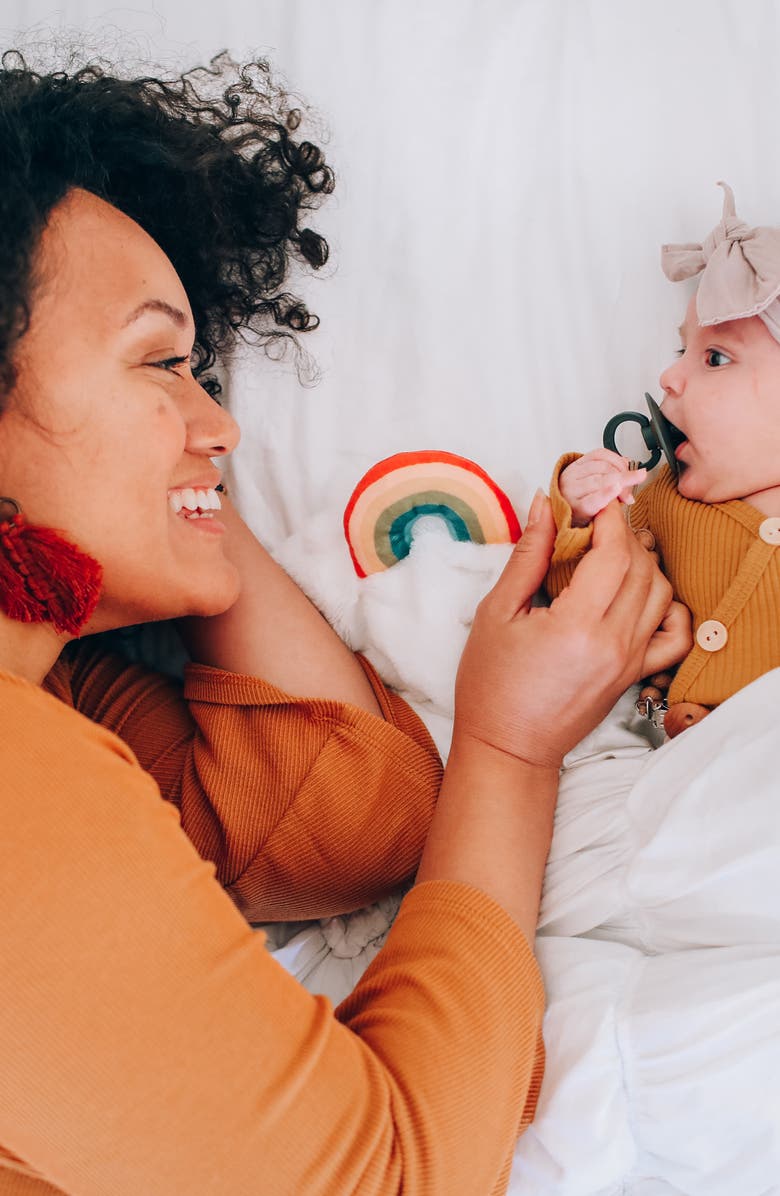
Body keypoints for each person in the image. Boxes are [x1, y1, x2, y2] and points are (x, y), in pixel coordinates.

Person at [0, 51, 684, 1196]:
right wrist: (510, 752)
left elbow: (336, 822)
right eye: (164, 363)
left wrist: (176, 513)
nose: (220, 421)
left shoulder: (57, 699)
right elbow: (393, 1180)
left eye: (206, 369)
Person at [547, 181, 780, 738]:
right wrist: (583, 521)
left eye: (715, 358)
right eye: (683, 352)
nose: (669, 377)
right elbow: (582, 610)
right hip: (666, 731)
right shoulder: (660, 499)